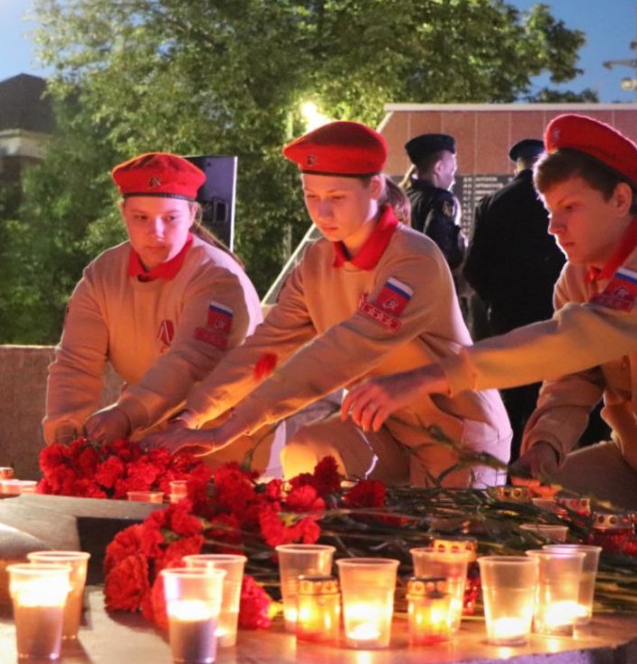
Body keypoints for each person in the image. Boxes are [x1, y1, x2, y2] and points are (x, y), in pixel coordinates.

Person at [145, 122, 510, 487]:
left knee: (448, 540)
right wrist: (194, 414)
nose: (322, 213)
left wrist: (233, 427)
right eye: (310, 196)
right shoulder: (316, 264)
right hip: (381, 430)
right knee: (310, 455)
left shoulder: (414, 258)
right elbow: (265, 348)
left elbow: (344, 349)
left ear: (375, 187)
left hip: (456, 434)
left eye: (336, 197)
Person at [341, 114, 637, 508]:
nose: (553, 226)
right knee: (521, 508)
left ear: (620, 200)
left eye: (570, 207)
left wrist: (433, 376)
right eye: (550, 209)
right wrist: (544, 446)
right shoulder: (577, 278)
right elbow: (573, 378)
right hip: (635, 463)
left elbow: (577, 338)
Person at [43, 152, 265, 467]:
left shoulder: (217, 276)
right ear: (123, 214)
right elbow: (76, 363)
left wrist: (125, 415)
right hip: (148, 437)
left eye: (170, 218)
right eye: (141, 217)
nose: (155, 232)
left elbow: (189, 362)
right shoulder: (103, 275)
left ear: (192, 214)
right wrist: (66, 434)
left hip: (226, 442)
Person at [463, 139, 566, 458]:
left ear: (517, 165)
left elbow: (474, 267)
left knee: (511, 398)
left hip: (507, 317)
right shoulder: (558, 199)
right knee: (552, 394)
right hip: (556, 315)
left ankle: (507, 472)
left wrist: (498, 300)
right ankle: (544, 463)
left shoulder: (493, 202)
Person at [402, 133, 465, 270]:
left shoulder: (404, 197)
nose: (453, 180)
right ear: (439, 168)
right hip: (432, 280)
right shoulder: (445, 202)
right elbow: (440, 241)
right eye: (452, 171)